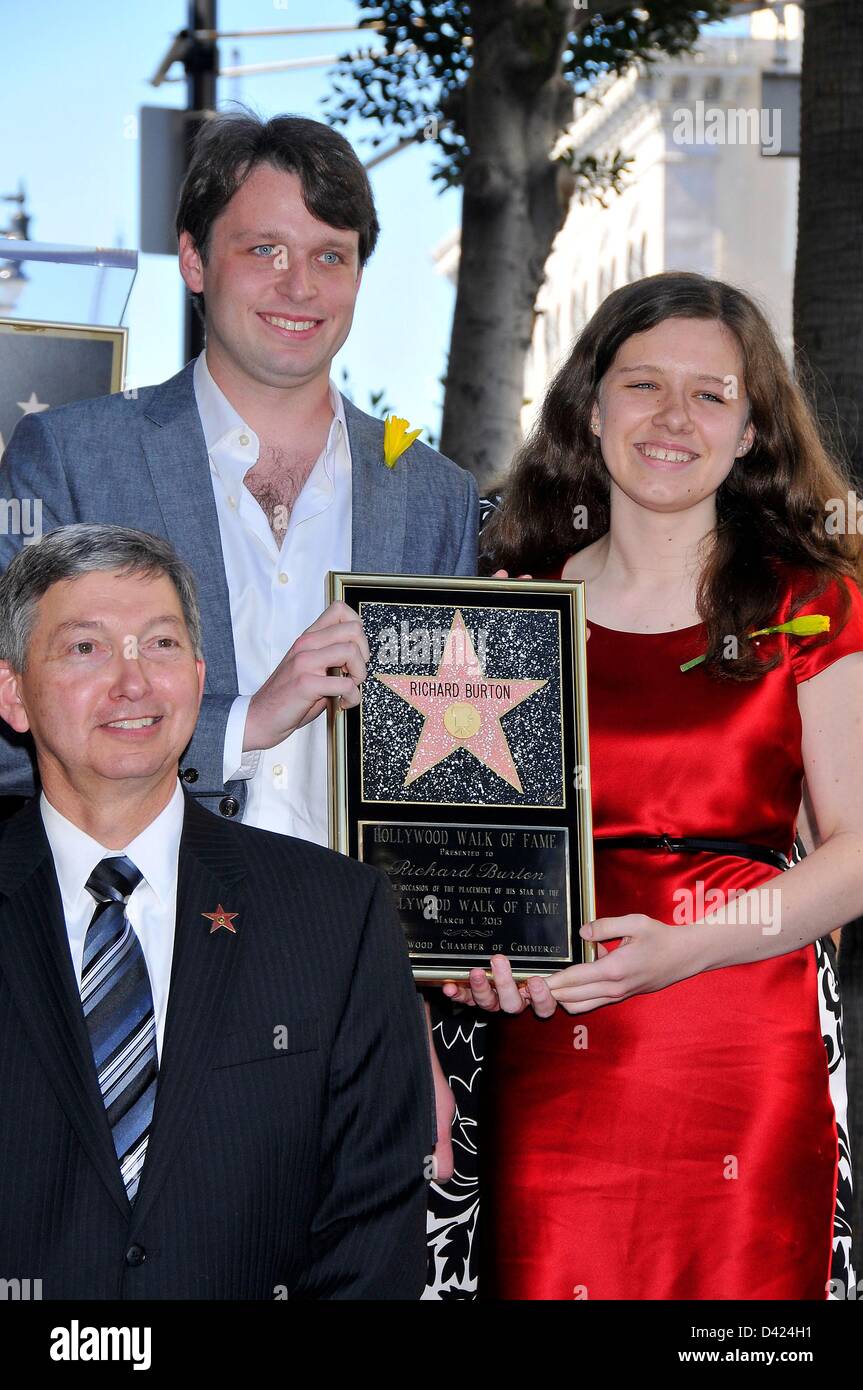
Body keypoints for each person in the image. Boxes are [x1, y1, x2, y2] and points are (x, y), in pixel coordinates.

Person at [0, 112, 476, 1223]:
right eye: (262, 247)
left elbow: (435, 797)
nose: (297, 282)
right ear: (192, 259)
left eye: (331, 253)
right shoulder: (69, 457)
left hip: (351, 985)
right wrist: (238, 720)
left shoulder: (434, 496)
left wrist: (441, 979)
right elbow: (13, 722)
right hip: (118, 971)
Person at [452, 271, 863, 1300]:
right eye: (641, 385)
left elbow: (856, 852)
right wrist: (463, 966)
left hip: (743, 1056)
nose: (672, 418)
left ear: (750, 432)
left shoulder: (812, 605)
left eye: (710, 394)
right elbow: (461, 870)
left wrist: (686, 945)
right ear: (590, 410)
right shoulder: (499, 613)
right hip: (550, 1059)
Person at [0, 523, 434, 1299]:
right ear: (13, 694)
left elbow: (373, 1232)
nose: (133, 684)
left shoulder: (336, 917)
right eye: (86, 649)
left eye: (160, 646)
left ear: (200, 680)